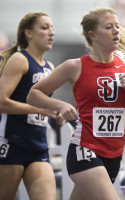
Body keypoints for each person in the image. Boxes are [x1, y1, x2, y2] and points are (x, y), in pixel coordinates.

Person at [27, 7, 125, 200]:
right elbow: (33, 94)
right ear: (92, 35)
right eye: (109, 27)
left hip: (113, 154)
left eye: (117, 26)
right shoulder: (75, 66)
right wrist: (59, 105)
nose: (116, 31)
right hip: (84, 149)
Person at [0, 12, 64, 200]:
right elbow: (1, 101)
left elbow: (45, 106)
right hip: (11, 142)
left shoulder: (49, 67)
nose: (51, 33)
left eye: (52, 28)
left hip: (38, 146)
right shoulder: (20, 60)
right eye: (44, 28)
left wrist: (55, 112)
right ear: (29, 33)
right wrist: (40, 110)